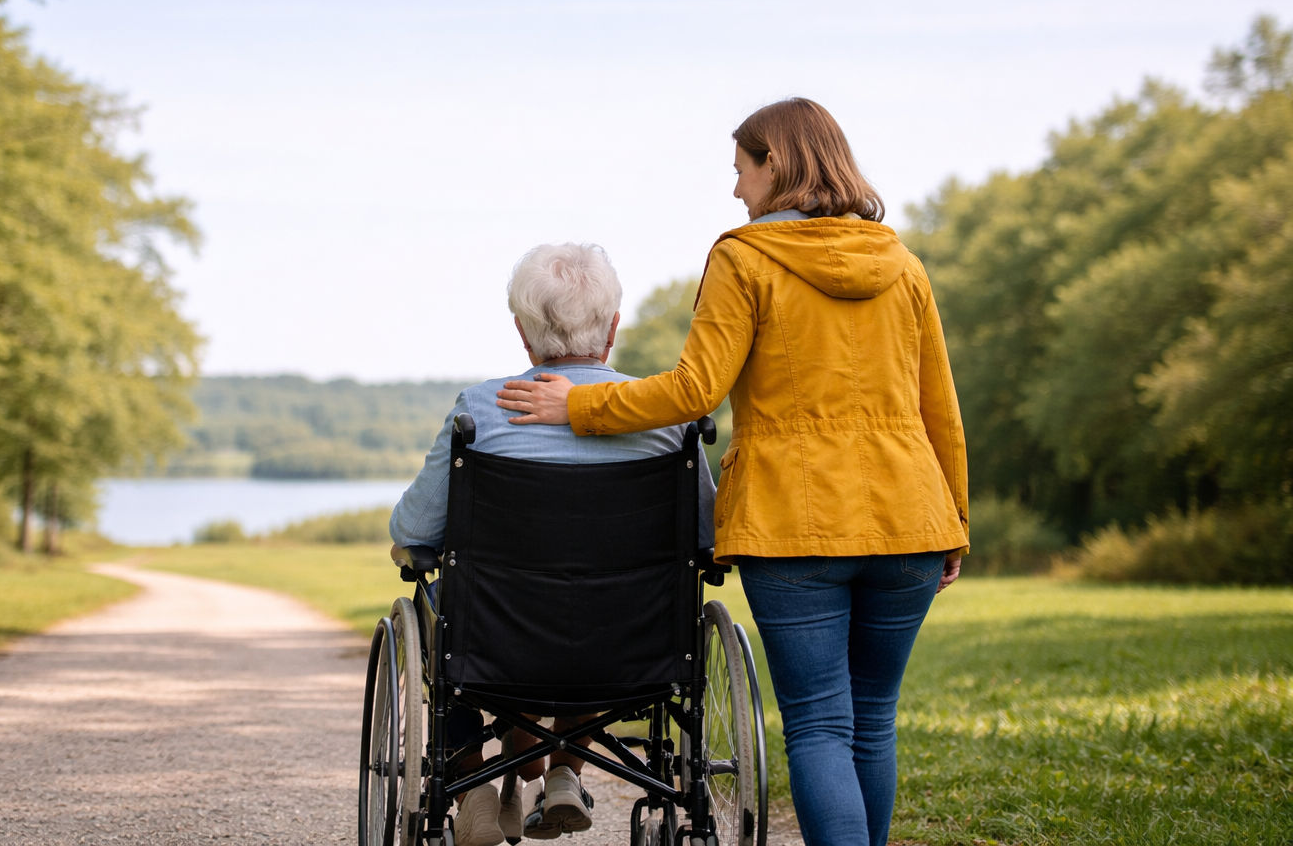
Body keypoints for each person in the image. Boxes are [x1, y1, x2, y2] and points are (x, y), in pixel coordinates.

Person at [495, 98, 969, 846]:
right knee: (873, 721)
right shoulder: (901, 264)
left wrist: (579, 409)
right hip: (910, 516)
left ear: (774, 162)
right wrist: (956, 522)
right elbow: (938, 405)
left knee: (818, 722)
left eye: (741, 170)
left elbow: (693, 390)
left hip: (795, 522)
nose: (737, 191)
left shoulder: (745, 258)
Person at [390, 241, 717, 846]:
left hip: (497, 648)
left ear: (522, 330)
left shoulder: (480, 413)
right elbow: (707, 539)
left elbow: (413, 533)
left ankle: (473, 787)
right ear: (613, 327)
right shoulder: (666, 419)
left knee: (434, 603)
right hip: (632, 647)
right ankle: (565, 771)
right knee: (601, 604)